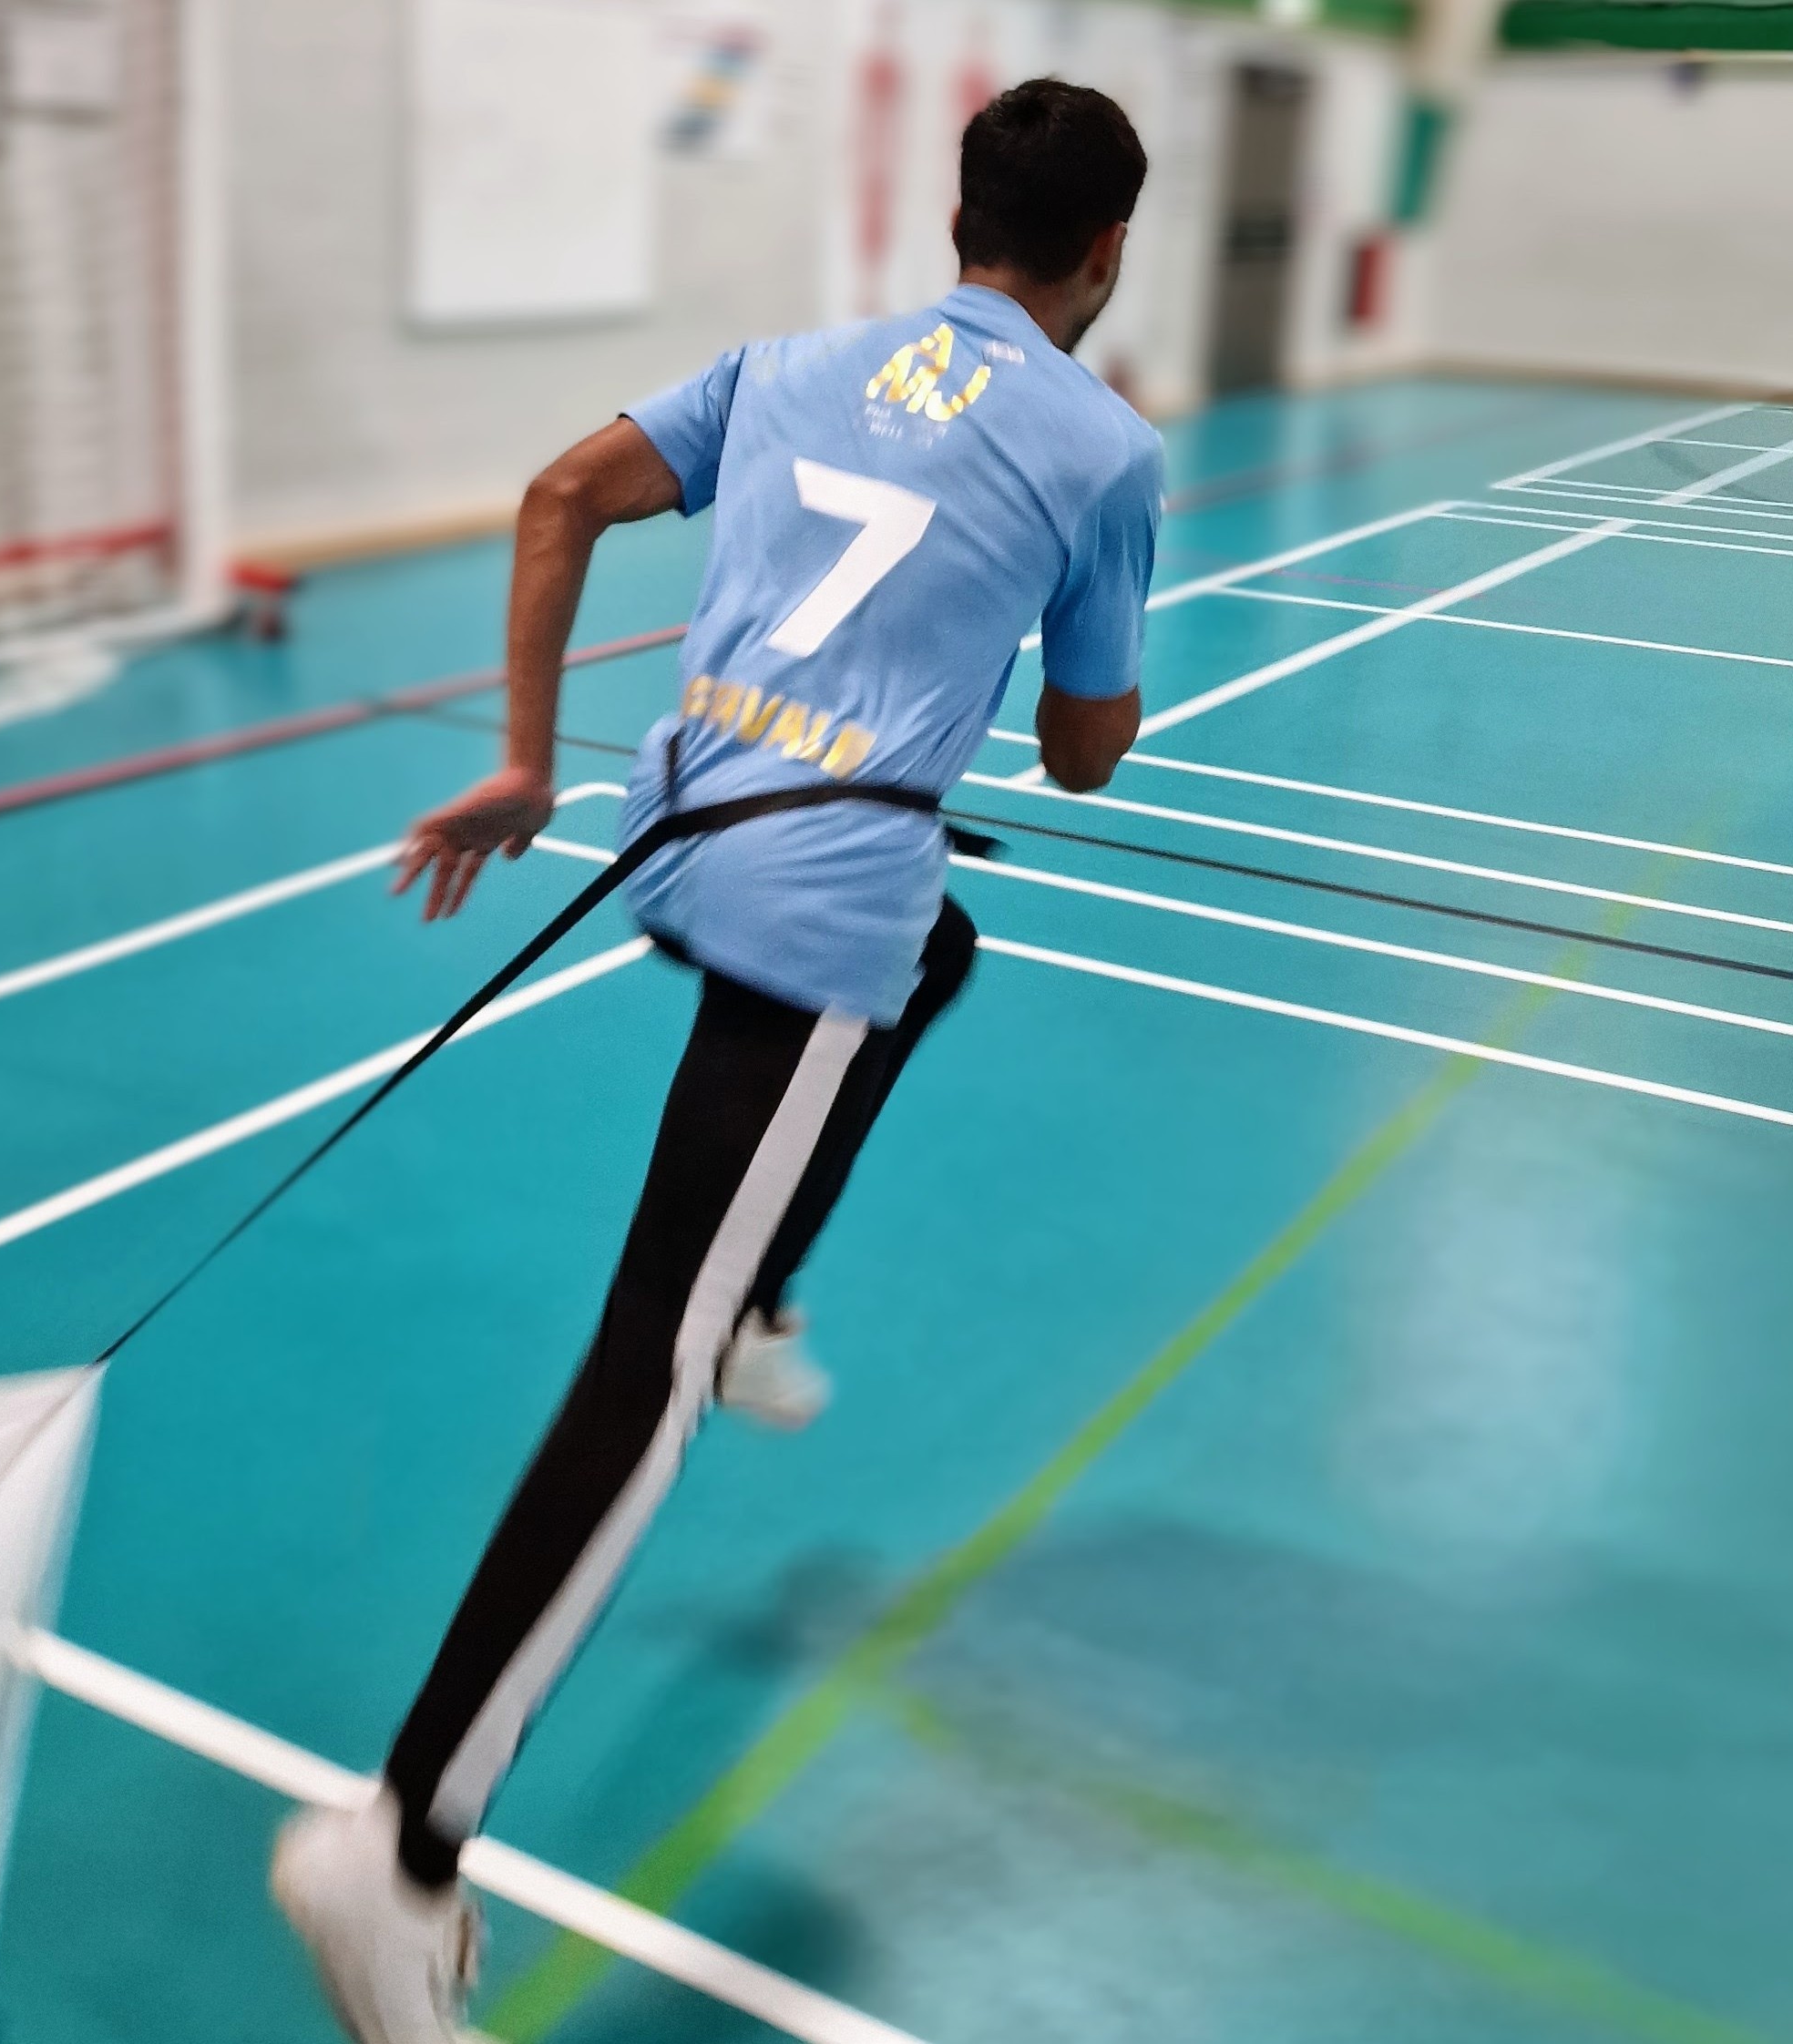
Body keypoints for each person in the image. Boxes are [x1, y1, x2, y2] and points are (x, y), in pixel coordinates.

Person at [272, 78, 1163, 2044]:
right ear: (1105, 250)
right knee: (636, 1381)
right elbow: (1084, 752)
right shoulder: (1101, 446)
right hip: (805, 903)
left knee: (945, 940)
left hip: (684, 827)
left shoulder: (791, 361)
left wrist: (523, 759)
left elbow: (554, 494)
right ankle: (399, 1846)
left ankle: (757, 1295)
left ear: (957, 222)